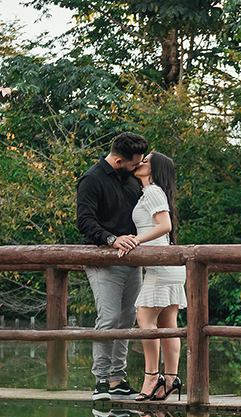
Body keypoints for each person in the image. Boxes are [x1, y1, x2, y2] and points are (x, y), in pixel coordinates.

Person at [77, 131, 150, 402]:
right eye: (134, 163)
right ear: (119, 160)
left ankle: (118, 379)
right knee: (108, 319)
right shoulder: (92, 180)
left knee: (127, 319)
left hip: (132, 262)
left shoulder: (132, 180)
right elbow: (84, 221)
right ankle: (101, 382)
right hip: (103, 261)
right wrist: (111, 239)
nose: (138, 167)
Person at [129, 151, 186, 402]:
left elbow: (165, 226)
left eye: (145, 160)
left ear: (153, 169)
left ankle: (152, 376)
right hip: (167, 265)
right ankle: (171, 380)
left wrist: (134, 241)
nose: (140, 162)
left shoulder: (152, 191)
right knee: (168, 325)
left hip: (160, 265)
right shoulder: (152, 192)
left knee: (144, 318)